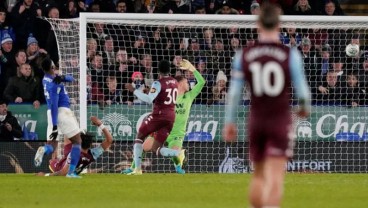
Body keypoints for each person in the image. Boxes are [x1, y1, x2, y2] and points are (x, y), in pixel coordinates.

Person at [222, 3, 311, 208]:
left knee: (259, 175)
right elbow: (304, 94)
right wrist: (304, 108)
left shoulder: (244, 54)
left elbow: (234, 93)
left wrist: (229, 122)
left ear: (258, 24)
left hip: (257, 120)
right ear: (279, 25)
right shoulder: (291, 55)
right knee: (276, 176)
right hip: (280, 120)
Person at [122, 59, 205, 174]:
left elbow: (201, 82)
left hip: (176, 134)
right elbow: (158, 94)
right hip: (163, 127)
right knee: (145, 147)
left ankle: (178, 168)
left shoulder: (189, 96)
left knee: (171, 152)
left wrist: (193, 69)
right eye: (186, 82)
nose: (188, 84)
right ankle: (133, 167)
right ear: (180, 83)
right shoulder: (171, 89)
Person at [124, 59, 178, 175]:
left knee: (139, 136)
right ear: (169, 70)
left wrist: (133, 90)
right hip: (171, 117)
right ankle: (178, 154)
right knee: (156, 148)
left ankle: (137, 169)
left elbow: (149, 99)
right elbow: (165, 95)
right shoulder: (174, 82)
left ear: (158, 70)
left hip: (159, 116)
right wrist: (150, 91)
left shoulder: (158, 83)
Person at [33, 56, 82, 178]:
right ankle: (70, 172)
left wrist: (63, 77)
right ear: (52, 67)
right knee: (77, 142)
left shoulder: (47, 79)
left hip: (51, 114)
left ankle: (44, 150)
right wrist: (55, 126)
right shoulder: (55, 84)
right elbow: (55, 104)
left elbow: (71, 78)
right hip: (61, 112)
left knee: (52, 145)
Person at [36, 116, 113, 176]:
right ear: (90, 145)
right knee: (68, 132)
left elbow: (63, 172)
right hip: (69, 161)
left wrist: (45, 175)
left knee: (68, 134)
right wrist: (100, 124)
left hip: (59, 167)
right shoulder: (92, 154)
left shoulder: (73, 153)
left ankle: (52, 149)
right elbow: (109, 140)